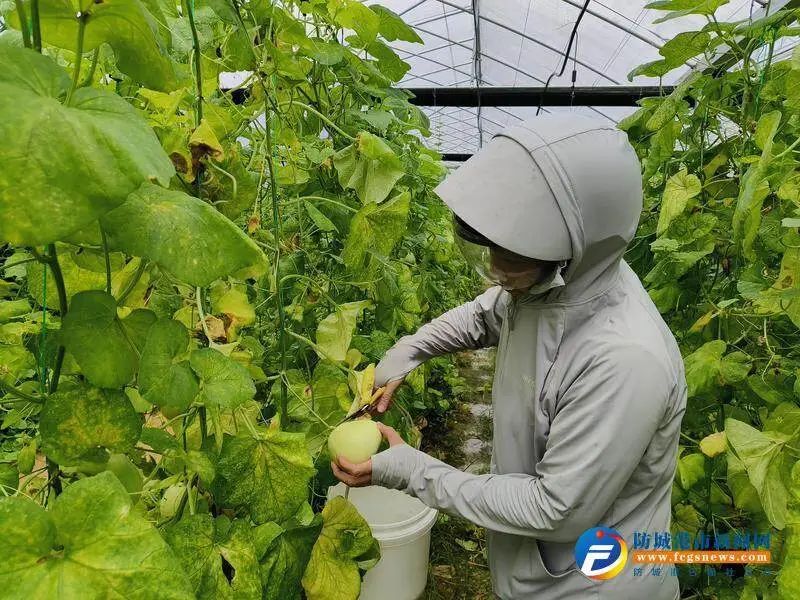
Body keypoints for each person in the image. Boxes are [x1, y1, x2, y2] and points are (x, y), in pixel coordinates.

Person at [332, 114, 686, 600]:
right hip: (534, 572)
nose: (495, 269)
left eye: (511, 253)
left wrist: (412, 470)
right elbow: (483, 316)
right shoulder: (553, 287)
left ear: (574, 249)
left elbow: (555, 509)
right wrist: (406, 353)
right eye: (489, 248)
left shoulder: (624, 360)